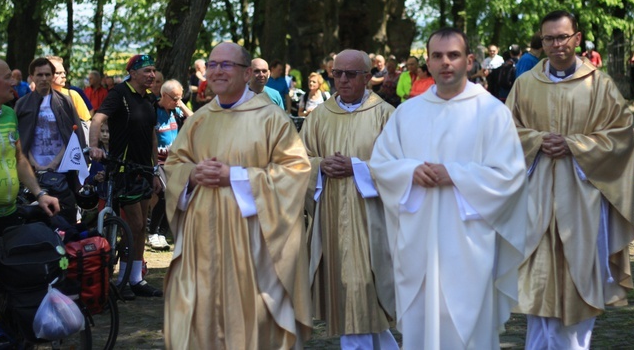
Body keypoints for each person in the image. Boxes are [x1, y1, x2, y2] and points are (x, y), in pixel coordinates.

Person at [370, 28, 528, 349]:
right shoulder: (407, 112)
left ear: (469, 61)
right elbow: (381, 164)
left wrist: (454, 175)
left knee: (470, 330)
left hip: (470, 241)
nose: (446, 63)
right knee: (421, 326)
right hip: (418, 240)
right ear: (427, 62)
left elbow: (510, 176)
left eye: (453, 55)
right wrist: (411, 170)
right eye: (438, 56)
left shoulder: (491, 112)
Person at [163, 42, 312, 349]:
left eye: (226, 65)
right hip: (201, 240)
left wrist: (234, 176)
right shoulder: (199, 119)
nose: (217, 70)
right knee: (203, 316)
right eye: (213, 64)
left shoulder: (272, 118)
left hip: (253, 238)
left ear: (246, 74)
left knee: (249, 318)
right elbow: (175, 164)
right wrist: (191, 174)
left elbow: (296, 171)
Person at [505, 10, 634, 350]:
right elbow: (503, 134)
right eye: (549, 38)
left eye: (563, 37)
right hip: (535, 201)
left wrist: (574, 145)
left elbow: (621, 137)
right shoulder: (525, 84)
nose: (556, 45)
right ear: (542, 41)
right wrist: (535, 141)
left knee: (579, 281)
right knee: (537, 283)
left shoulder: (600, 85)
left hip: (583, 200)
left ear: (577, 38)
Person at [300, 50, 397, 349]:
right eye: (337, 73)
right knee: (354, 295)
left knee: (362, 290)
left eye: (350, 74)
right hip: (330, 216)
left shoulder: (386, 115)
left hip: (372, 219)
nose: (342, 79)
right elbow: (298, 161)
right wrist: (320, 166)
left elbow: (400, 166)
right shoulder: (319, 116)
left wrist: (357, 168)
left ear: (368, 77)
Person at [88, 53, 163, 299]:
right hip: (123, 168)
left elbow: (152, 135)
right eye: (147, 71)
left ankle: (135, 279)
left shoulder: (150, 98)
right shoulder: (119, 94)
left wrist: (155, 169)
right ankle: (121, 279)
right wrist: (94, 146)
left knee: (141, 227)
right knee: (137, 224)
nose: (152, 75)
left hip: (144, 169)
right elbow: (97, 119)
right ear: (133, 73)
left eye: (153, 71)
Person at [0, 58, 60, 237]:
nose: (13, 82)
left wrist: (39, 193)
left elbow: (19, 159)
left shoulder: (9, 114)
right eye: (7, 77)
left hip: (10, 215)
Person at [15, 57, 88, 226]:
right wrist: (33, 162)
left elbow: (72, 136)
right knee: (35, 218)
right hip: (32, 171)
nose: (43, 78)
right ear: (32, 77)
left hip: (62, 169)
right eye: (39, 74)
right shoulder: (22, 104)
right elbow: (19, 139)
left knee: (65, 217)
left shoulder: (65, 101)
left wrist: (55, 162)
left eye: (47, 74)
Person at [149, 79, 192, 252]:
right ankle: (152, 233)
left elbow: (196, 120)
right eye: (174, 98)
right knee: (164, 194)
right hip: (158, 161)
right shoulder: (153, 110)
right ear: (164, 95)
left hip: (176, 161)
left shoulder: (177, 111)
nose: (177, 101)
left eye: (180, 98)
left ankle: (162, 234)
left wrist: (181, 105)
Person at [47, 56, 92, 142]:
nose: (63, 76)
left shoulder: (72, 95)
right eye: (58, 73)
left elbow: (87, 123)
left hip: (71, 148)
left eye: (64, 72)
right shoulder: (37, 98)